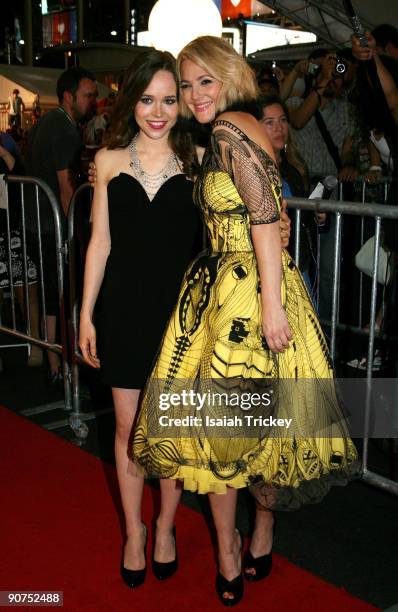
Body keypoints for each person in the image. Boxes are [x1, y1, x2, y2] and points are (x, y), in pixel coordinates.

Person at [131, 36, 358, 607]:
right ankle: (241, 541)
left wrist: (273, 308)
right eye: (186, 85)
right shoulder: (231, 132)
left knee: (235, 434)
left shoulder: (232, 128)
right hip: (232, 293)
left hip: (250, 302)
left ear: (230, 78)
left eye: (204, 81)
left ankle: (249, 535)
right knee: (239, 434)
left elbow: (261, 217)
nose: (193, 94)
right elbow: (270, 210)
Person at [79, 49, 203, 589]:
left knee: (169, 432)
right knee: (129, 430)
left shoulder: (200, 159)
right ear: (132, 103)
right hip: (124, 311)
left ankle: (167, 526)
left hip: (179, 316)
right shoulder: (107, 161)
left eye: (169, 100)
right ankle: (133, 530)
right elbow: (99, 244)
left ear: (181, 103)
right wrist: (85, 314)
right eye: (148, 100)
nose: (158, 112)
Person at [25, 66, 98, 384]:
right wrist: (78, 236)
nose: (93, 101)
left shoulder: (49, 122)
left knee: (51, 291)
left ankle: (53, 362)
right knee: (60, 292)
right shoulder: (64, 130)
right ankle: (59, 367)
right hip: (49, 223)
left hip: (36, 221)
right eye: (88, 95)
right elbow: (67, 191)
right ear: (69, 97)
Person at [259, 95, 317, 293]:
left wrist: (318, 215)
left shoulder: (295, 167)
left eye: (283, 120)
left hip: (300, 264)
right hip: (269, 269)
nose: (279, 128)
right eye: (270, 122)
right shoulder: (250, 171)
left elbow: (306, 220)